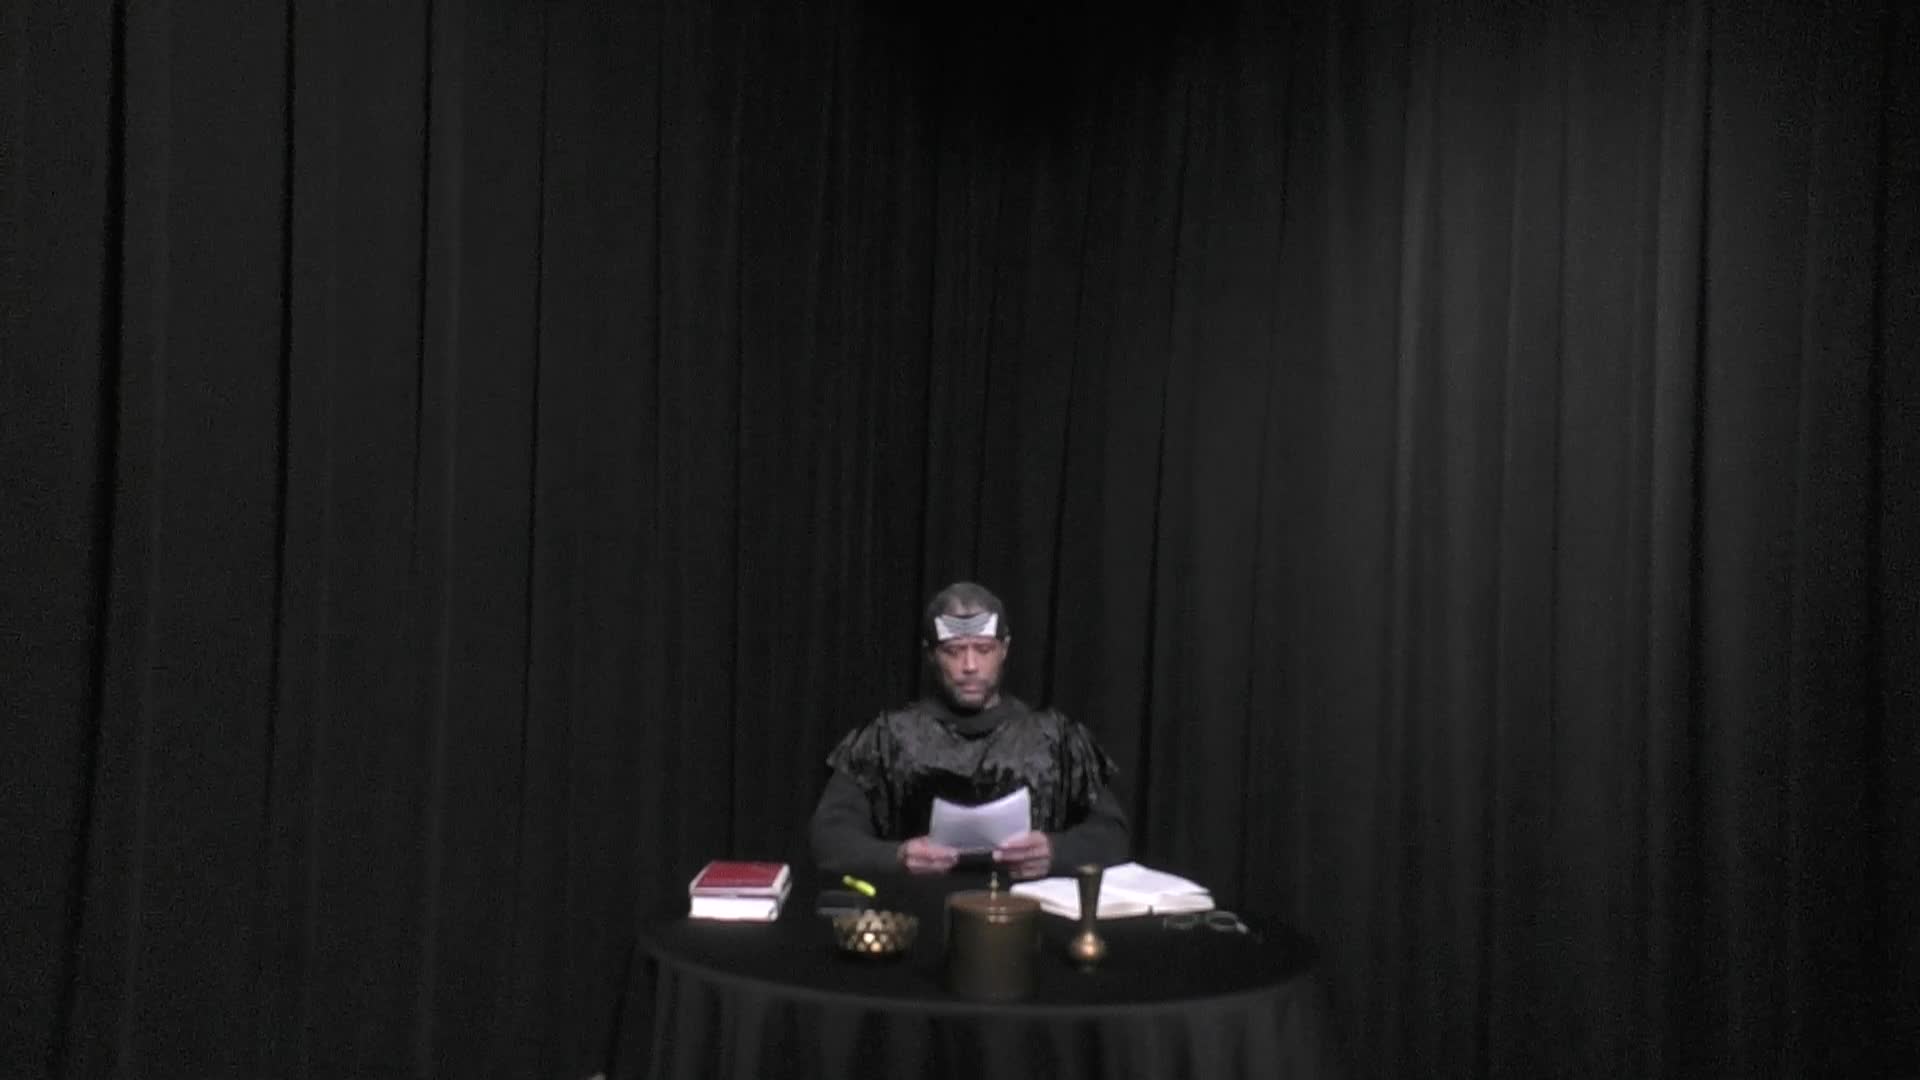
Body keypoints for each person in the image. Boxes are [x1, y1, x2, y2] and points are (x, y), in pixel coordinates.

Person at [809, 582, 1130, 880]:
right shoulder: (887, 738)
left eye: (983, 649)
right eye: (954, 651)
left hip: (1028, 909)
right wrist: (897, 856)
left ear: (1004, 649)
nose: (970, 665)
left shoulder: (1055, 738)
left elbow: (1112, 833)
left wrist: (1056, 852)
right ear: (931, 654)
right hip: (916, 909)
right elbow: (829, 837)